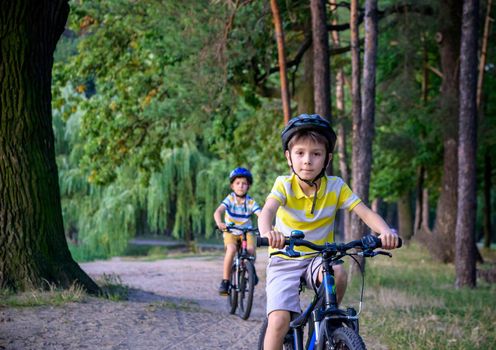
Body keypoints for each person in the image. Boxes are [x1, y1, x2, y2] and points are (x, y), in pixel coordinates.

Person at [258, 114, 399, 350]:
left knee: (339, 273)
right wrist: (268, 232)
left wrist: (386, 232)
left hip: (318, 258)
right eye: (300, 153)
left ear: (327, 158)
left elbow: (364, 212)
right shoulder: (283, 184)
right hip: (286, 257)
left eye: (316, 154)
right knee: (279, 319)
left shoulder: (335, 186)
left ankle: (326, 321)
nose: (307, 160)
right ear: (288, 157)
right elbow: (267, 210)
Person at [214, 167, 261, 295]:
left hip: (246, 231)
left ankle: (250, 270)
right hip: (231, 231)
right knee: (231, 249)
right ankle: (225, 280)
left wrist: (267, 225)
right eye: (238, 183)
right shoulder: (230, 199)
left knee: (251, 250)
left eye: (244, 183)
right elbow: (218, 212)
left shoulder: (250, 202)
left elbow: (261, 215)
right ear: (232, 186)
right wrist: (219, 223)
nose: (241, 186)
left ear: (249, 186)